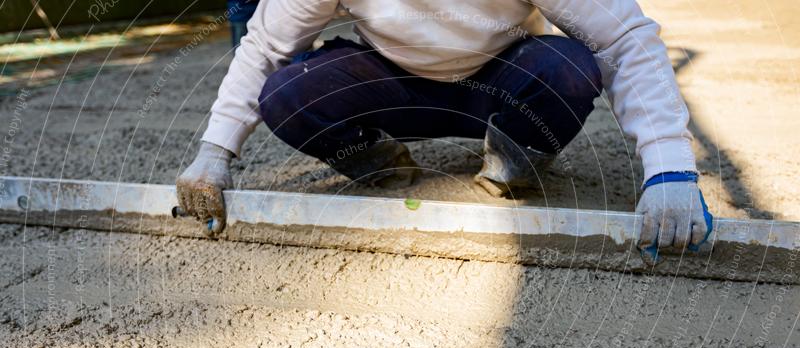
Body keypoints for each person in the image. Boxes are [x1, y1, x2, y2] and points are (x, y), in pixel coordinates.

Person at [178, 1, 712, 255]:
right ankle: (380, 160)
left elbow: (624, 40)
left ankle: (512, 160)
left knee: (567, 68)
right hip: (390, 83)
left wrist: (670, 172)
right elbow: (266, 47)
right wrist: (214, 153)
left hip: (505, 81)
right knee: (289, 94)